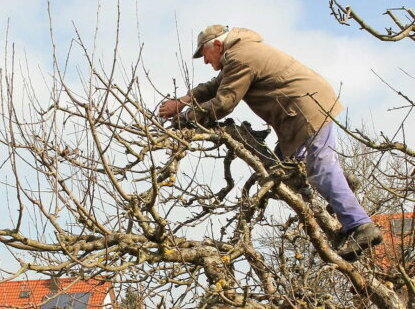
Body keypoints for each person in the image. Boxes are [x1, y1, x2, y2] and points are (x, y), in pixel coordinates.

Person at [159, 25, 382, 261]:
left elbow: (224, 103)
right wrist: (182, 101)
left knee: (320, 168)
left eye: (203, 54)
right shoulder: (239, 53)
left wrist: (186, 117)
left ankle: (361, 225)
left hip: (305, 109)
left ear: (217, 45)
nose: (204, 61)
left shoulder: (240, 57)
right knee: (284, 167)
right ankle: (344, 184)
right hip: (299, 110)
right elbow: (214, 87)